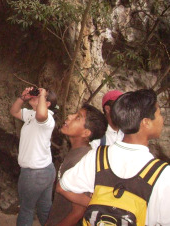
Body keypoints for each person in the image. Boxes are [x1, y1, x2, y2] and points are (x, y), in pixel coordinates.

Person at [58, 89, 170, 225]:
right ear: (146, 122)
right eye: (159, 114)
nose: (162, 119)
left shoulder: (97, 157)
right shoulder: (162, 174)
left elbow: (64, 185)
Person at [46, 104, 107, 226]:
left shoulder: (81, 160)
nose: (69, 116)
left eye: (78, 117)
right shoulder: (76, 152)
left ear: (86, 133)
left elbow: (77, 213)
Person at [10, 87, 57, 226]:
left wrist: (42, 94)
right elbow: (14, 111)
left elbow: (41, 116)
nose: (36, 96)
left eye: (41, 97)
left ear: (47, 103)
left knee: (26, 210)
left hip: (34, 173)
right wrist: (23, 98)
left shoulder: (47, 118)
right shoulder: (32, 115)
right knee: (44, 209)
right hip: (45, 170)